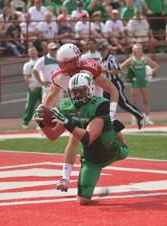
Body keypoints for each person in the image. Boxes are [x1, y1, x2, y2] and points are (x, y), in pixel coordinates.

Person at [34, 72, 127, 205]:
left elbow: (89, 138)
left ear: (90, 89)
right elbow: (53, 136)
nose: (77, 95)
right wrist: (41, 123)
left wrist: (67, 122)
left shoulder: (100, 104)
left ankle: (121, 142)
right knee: (83, 201)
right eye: (74, 92)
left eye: (80, 91)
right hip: (92, 158)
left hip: (111, 149)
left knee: (109, 134)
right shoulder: (66, 106)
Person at [41, 43, 119, 194]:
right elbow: (50, 96)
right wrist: (43, 114)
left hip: (96, 107)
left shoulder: (90, 69)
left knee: (110, 137)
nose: (68, 66)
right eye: (64, 63)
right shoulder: (59, 76)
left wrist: (112, 113)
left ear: (77, 59)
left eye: (71, 62)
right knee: (73, 139)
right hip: (77, 106)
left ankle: (118, 150)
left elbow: (112, 89)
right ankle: (65, 178)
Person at [100, 43, 145, 129]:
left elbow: (118, 70)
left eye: (104, 50)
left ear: (107, 50)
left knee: (123, 103)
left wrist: (107, 71)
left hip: (115, 83)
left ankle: (140, 116)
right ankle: (108, 122)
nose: (102, 52)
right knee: (103, 103)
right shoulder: (102, 60)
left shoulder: (111, 58)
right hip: (107, 84)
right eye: (101, 50)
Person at [121, 43, 159, 125]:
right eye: (137, 48)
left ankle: (147, 119)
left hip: (144, 82)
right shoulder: (131, 60)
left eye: (140, 48)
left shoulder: (145, 59)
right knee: (134, 102)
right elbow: (120, 67)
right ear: (134, 50)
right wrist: (128, 76)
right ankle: (134, 119)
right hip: (135, 83)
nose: (139, 50)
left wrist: (151, 73)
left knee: (146, 101)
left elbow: (156, 66)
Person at [22, 47, 42, 129]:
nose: (32, 52)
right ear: (28, 53)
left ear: (37, 51)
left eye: (33, 51)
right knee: (30, 106)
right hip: (33, 87)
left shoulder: (41, 61)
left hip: (43, 86)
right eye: (30, 51)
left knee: (44, 106)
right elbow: (26, 76)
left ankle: (42, 123)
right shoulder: (27, 64)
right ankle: (25, 122)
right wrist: (31, 85)